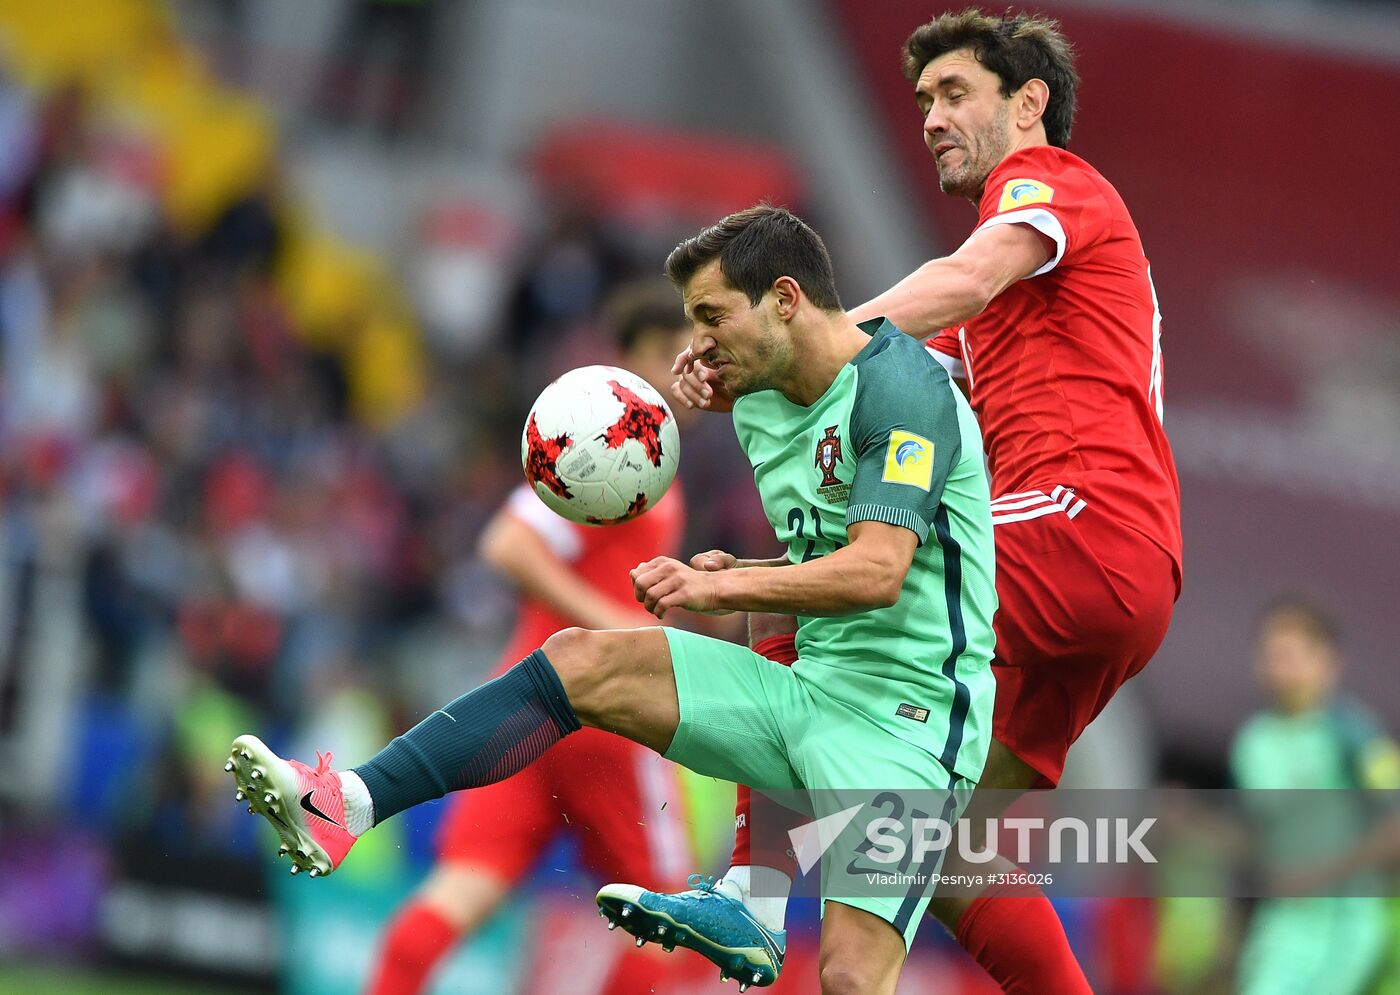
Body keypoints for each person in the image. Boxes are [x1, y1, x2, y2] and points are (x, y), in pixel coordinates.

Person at [225, 205, 999, 995]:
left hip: (908, 726)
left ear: (787, 299)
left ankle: (751, 899)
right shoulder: (763, 404)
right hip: (808, 692)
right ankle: (348, 801)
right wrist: (751, 563)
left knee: (848, 977)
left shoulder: (904, 390)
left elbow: (876, 572)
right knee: (576, 661)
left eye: (711, 318)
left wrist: (718, 582)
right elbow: (825, 555)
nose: (698, 346)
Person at [645, 9, 1182, 993]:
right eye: (921, 100)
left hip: (1073, 527)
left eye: (952, 94)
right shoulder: (1009, 311)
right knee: (934, 850)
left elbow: (959, 282)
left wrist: (799, 331)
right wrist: (759, 375)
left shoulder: (1045, 187)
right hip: (1111, 580)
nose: (930, 116)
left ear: (1025, 103)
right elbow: (865, 379)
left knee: (806, 583)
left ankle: (752, 891)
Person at [362, 283, 703, 995]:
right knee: (672, 929)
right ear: (634, 358)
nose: (694, 373)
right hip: (605, 714)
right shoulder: (609, 437)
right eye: (678, 354)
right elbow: (510, 542)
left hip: (522, 707)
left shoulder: (646, 460)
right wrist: (614, 624)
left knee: (459, 892)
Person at [1230, 597, 1399, 995]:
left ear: (1328, 662)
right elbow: (1256, 840)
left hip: (1343, 924)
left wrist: (1319, 876)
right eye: (1270, 653)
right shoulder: (1252, 742)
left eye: (1290, 655)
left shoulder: (1355, 735)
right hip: (1279, 923)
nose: (1277, 666)